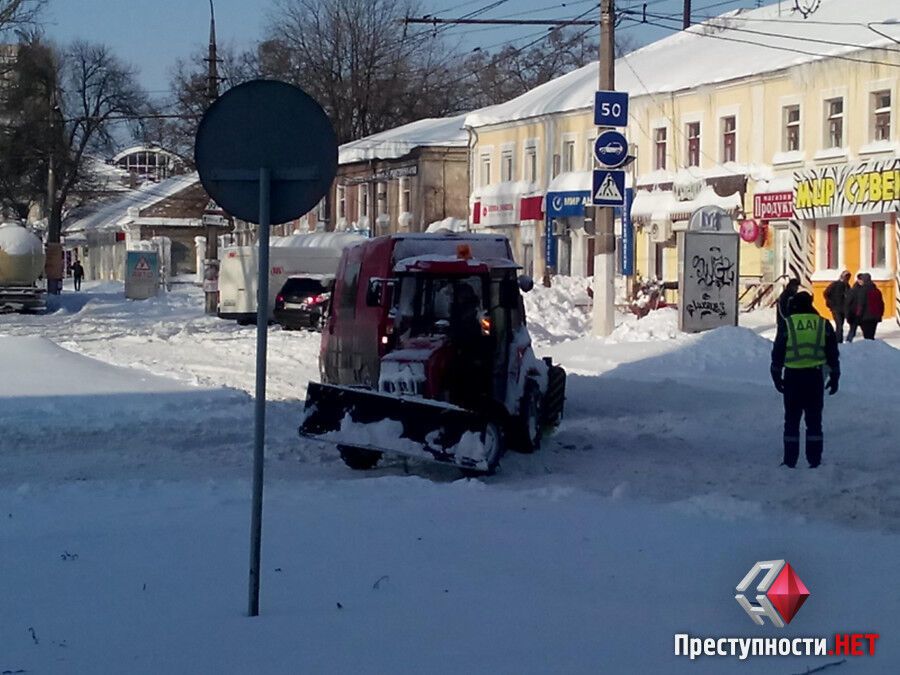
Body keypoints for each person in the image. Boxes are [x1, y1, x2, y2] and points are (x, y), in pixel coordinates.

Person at [771, 291, 839, 468]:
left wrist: (776, 374)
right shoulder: (823, 324)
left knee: (791, 421)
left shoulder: (788, 324)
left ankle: (790, 461)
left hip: (793, 377)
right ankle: (814, 460)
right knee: (814, 421)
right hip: (815, 378)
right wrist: (835, 374)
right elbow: (832, 353)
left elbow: (778, 351)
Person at [823, 270, 851, 343]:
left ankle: (837, 339)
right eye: (846, 277)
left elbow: (849, 296)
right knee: (839, 325)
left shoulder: (847, 286)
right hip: (835, 308)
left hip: (843, 309)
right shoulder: (835, 284)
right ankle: (838, 340)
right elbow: (826, 293)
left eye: (848, 278)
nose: (847, 279)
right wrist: (830, 302)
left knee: (840, 325)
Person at [856, 273, 884, 340]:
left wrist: (857, 315)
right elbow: (881, 303)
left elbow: (861, 304)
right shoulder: (877, 290)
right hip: (875, 316)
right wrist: (880, 314)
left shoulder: (863, 291)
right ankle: (872, 348)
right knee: (871, 335)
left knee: (867, 336)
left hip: (865, 317)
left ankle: (869, 349)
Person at [845, 273, 866, 342]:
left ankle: (868, 344)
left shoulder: (865, 289)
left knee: (865, 331)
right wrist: (848, 314)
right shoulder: (853, 290)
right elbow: (848, 303)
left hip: (863, 313)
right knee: (853, 330)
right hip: (854, 313)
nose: (862, 281)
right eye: (861, 280)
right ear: (858, 280)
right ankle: (848, 341)